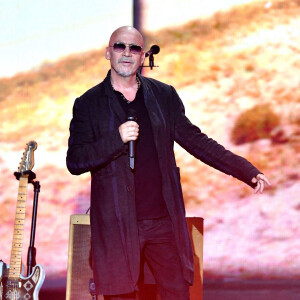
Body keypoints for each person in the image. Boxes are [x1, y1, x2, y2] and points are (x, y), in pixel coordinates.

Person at [66, 26, 271, 300]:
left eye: (134, 48)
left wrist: (246, 170)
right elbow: (76, 161)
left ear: (142, 57)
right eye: (119, 46)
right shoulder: (88, 104)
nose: (127, 53)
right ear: (108, 53)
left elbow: (197, 141)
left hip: (162, 221)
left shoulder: (164, 96)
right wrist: (116, 139)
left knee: (177, 293)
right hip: (118, 224)